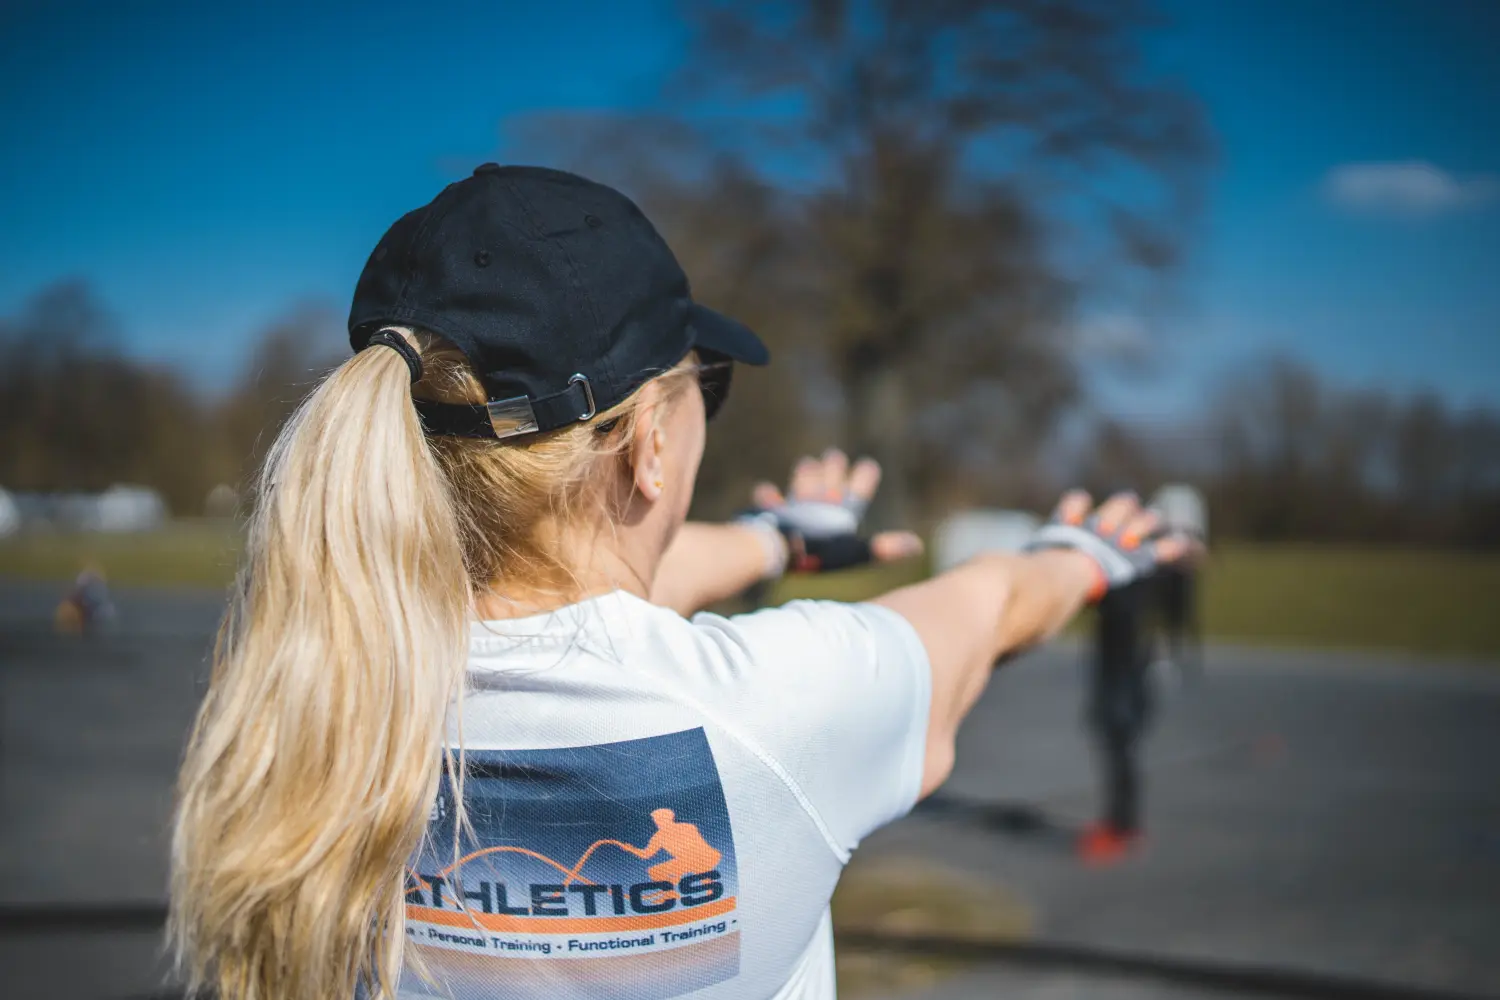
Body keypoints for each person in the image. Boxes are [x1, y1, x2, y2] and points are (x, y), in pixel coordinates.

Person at [169, 164, 1187, 1000]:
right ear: (650, 443)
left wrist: (773, 541)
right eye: (707, 391)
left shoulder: (305, 683)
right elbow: (995, 603)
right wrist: (1087, 554)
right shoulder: (776, 705)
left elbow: (581, 595)